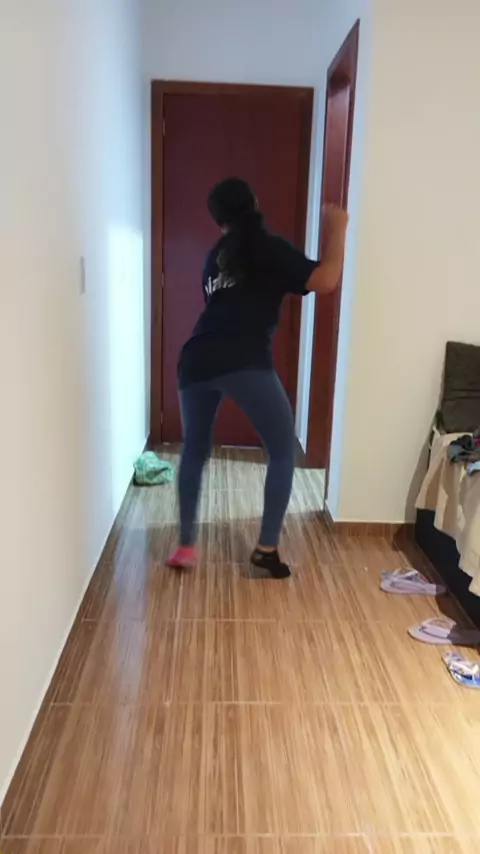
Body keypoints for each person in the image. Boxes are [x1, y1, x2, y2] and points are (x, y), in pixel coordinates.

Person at [167, 177, 349, 578]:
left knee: (195, 448)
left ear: (219, 221)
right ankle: (266, 549)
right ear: (253, 203)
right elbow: (326, 279)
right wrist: (338, 228)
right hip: (243, 358)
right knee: (282, 450)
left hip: (195, 358)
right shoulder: (269, 247)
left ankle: (185, 545)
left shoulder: (214, 257)